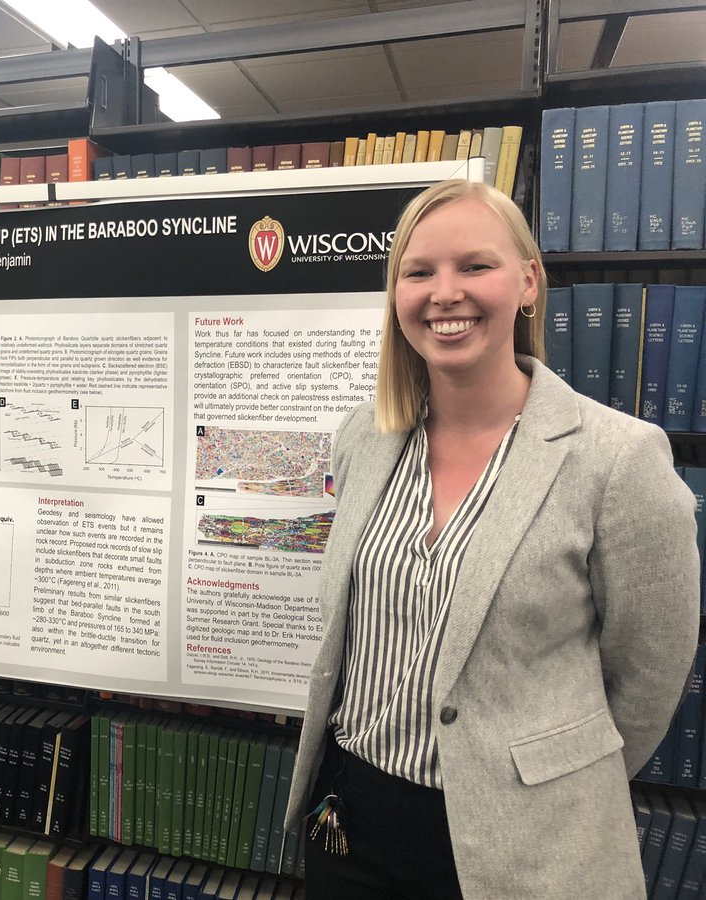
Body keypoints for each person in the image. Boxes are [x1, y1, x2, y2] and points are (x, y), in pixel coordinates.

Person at [284, 179, 700, 899]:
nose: (445, 293)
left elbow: (649, 673)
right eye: (419, 272)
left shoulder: (618, 459)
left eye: (475, 265)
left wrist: (553, 780)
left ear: (528, 282)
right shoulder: (364, 437)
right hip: (353, 819)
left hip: (526, 843)